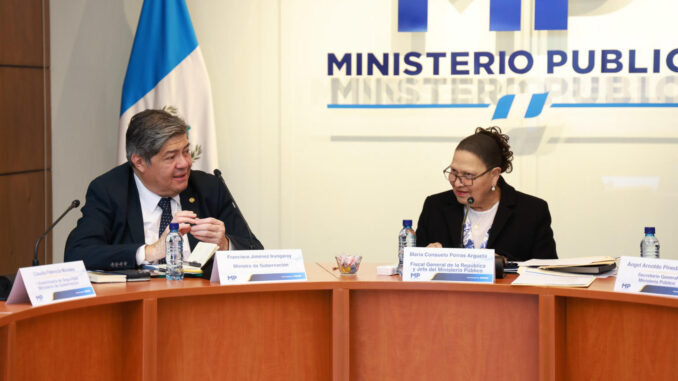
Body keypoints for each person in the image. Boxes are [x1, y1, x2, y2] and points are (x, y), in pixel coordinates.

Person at [65, 109, 263, 270]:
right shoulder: (109, 191)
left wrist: (226, 245)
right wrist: (150, 251)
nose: (184, 163)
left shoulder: (208, 188)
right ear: (140, 162)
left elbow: (256, 252)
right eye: (171, 157)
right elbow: (78, 255)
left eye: (186, 151)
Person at [415, 126, 557, 261]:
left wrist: (503, 265)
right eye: (453, 172)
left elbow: (545, 272)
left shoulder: (532, 211)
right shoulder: (435, 207)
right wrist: (423, 259)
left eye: (468, 175)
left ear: (494, 175)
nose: (457, 183)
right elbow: (411, 271)